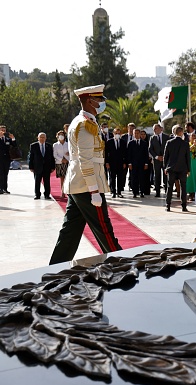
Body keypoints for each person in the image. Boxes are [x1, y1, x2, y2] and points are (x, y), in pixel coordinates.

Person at [49, 84, 122, 264]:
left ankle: (55, 268)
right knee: (103, 228)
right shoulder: (84, 125)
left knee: (70, 232)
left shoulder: (83, 121)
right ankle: (123, 263)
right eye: (99, 100)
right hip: (86, 186)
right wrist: (94, 190)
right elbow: (85, 159)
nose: (102, 103)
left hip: (78, 185)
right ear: (90, 101)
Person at [164, 124, 191, 212]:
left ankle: (168, 205)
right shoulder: (185, 144)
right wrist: (189, 169)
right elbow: (188, 158)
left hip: (171, 168)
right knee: (183, 187)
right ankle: (184, 206)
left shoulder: (169, 143)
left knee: (170, 187)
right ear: (181, 132)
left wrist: (165, 167)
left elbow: (165, 157)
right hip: (183, 168)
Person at [29, 132, 55, 199]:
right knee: (37, 181)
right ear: (38, 138)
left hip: (47, 167)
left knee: (47, 181)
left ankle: (47, 194)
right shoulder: (33, 146)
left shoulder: (49, 146)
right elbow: (31, 157)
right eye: (41, 137)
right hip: (37, 167)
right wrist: (31, 166)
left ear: (46, 138)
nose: (42, 139)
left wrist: (52, 167)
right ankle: (37, 194)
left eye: (43, 137)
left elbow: (52, 157)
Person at [127, 128, 149, 198]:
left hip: (142, 164)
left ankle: (142, 191)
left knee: (142, 178)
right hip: (133, 164)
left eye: (137, 133)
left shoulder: (144, 143)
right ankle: (134, 192)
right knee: (134, 178)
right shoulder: (130, 143)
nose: (136, 135)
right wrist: (129, 163)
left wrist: (146, 163)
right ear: (133, 134)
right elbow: (129, 154)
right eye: (135, 133)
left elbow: (146, 154)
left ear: (140, 134)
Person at [149, 123, 169, 197]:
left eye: (156, 128)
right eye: (154, 129)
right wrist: (157, 157)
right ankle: (157, 191)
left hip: (165, 160)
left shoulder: (166, 137)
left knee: (166, 175)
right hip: (156, 160)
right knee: (157, 176)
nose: (155, 130)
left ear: (161, 129)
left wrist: (165, 157)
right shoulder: (152, 138)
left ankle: (167, 190)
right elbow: (150, 149)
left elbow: (169, 148)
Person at [105, 128, 126, 198]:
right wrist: (107, 162)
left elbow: (124, 153)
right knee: (112, 177)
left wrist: (124, 162)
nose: (117, 135)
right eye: (116, 133)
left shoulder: (123, 142)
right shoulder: (109, 142)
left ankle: (119, 192)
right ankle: (113, 191)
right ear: (113, 134)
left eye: (118, 133)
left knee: (120, 177)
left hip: (120, 163)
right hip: (112, 163)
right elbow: (106, 153)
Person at [0, 125, 17, 194]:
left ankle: (5, 188)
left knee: (5, 174)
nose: (3, 131)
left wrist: (13, 138)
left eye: (4, 130)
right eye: (2, 130)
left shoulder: (7, 139)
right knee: (0, 174)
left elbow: (14, 145)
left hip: (6, 159)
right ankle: (0, 188)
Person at [53, 130, 70, 198]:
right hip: (59, 163)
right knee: (62, 178)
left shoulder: (68, 144)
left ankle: (69, 192)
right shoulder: (55, 145)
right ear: (57, 136)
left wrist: (67, 158)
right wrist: (61, 160)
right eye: (59, 135)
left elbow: (72, 152)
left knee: (68, 178)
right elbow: (55, 155)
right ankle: (62, 192)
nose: (61, 136)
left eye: (62, 135)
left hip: (67, 162)